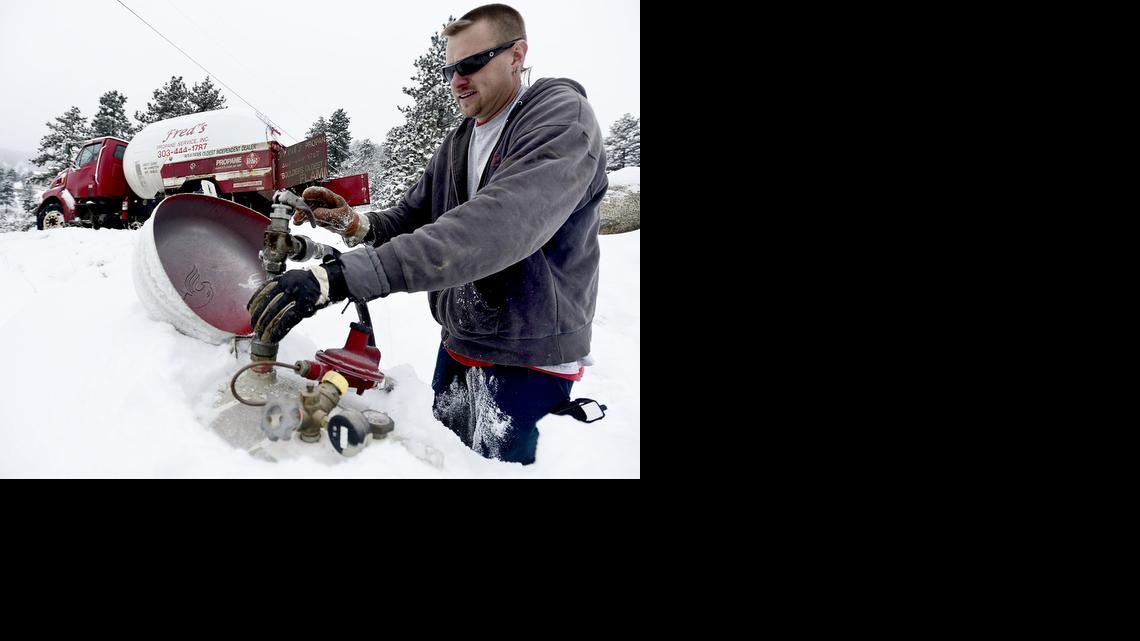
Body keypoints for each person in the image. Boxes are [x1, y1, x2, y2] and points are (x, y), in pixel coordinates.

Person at [247, 3, 607, 465]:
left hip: (528, 352)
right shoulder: (461, 141)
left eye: (472, 64)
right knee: (442, 461)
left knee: (501, 468)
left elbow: (499, 225)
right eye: (450, 69)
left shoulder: (559, 118)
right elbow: (408, 218)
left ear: (517, 55)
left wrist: (338, 277)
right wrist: (354, 223)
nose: (457, 81)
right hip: (461, 340)